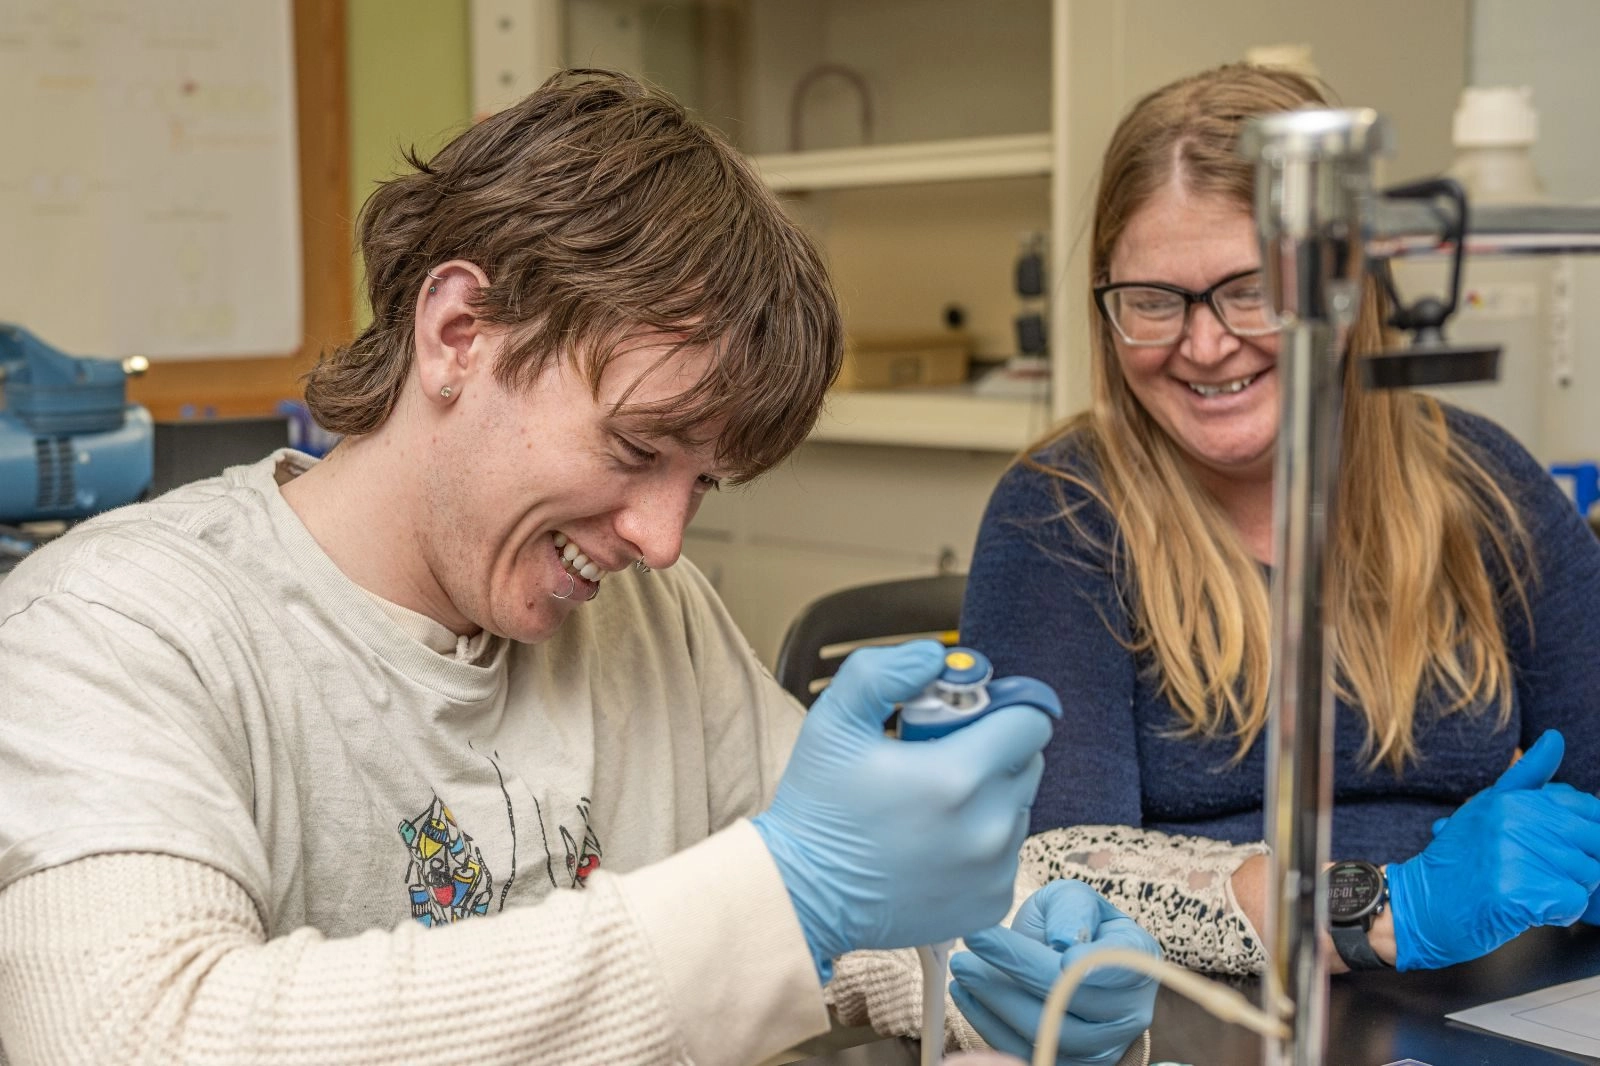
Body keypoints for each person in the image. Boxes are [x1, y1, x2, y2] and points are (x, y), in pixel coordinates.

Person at [0, 71, 1159, 1066]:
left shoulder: (655, 618)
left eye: (701, 482)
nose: (661, 539)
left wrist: (1004, 968)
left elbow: (849, 915)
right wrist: (787, 899)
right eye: (637, 448)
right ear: (460, 333)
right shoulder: (114, 625)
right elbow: (134, 1035)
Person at [963, 62, 1600, 979]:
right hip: (1202, 1019)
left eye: (1251, 288)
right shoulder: (1062, 517)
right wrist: (1385, 906)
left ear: (1347, 281)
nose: (1207, 343)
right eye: (1152, 300)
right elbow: (1054, 886)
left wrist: (1564, 860)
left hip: (1492, 1008)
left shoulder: (1483, 485)